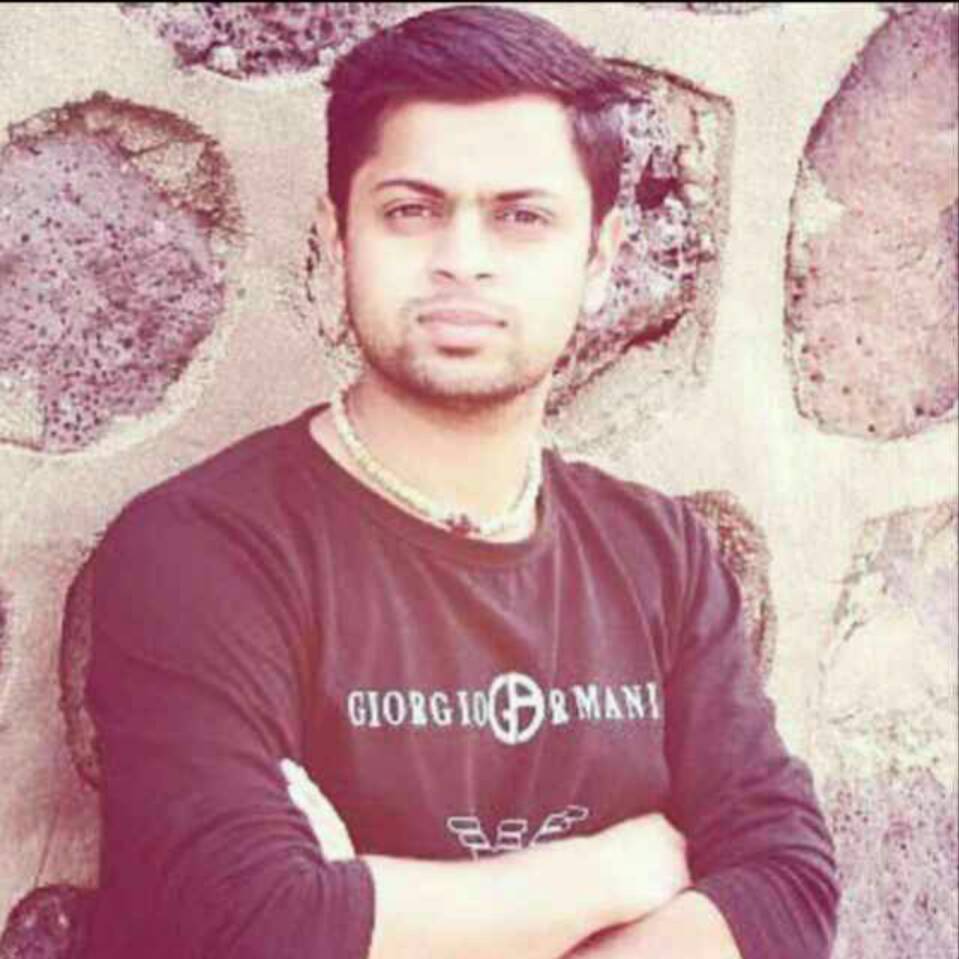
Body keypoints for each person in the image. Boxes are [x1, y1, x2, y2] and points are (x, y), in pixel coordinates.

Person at [83, 5, 841, 958]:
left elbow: (788, 890)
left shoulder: (663, 558)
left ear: (599, 259)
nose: (462, 260)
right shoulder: (200, 551)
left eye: (522, 217)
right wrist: (609, 873)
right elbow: (257, 922)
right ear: (337, 239)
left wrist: (376, 913)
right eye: (411, 210)